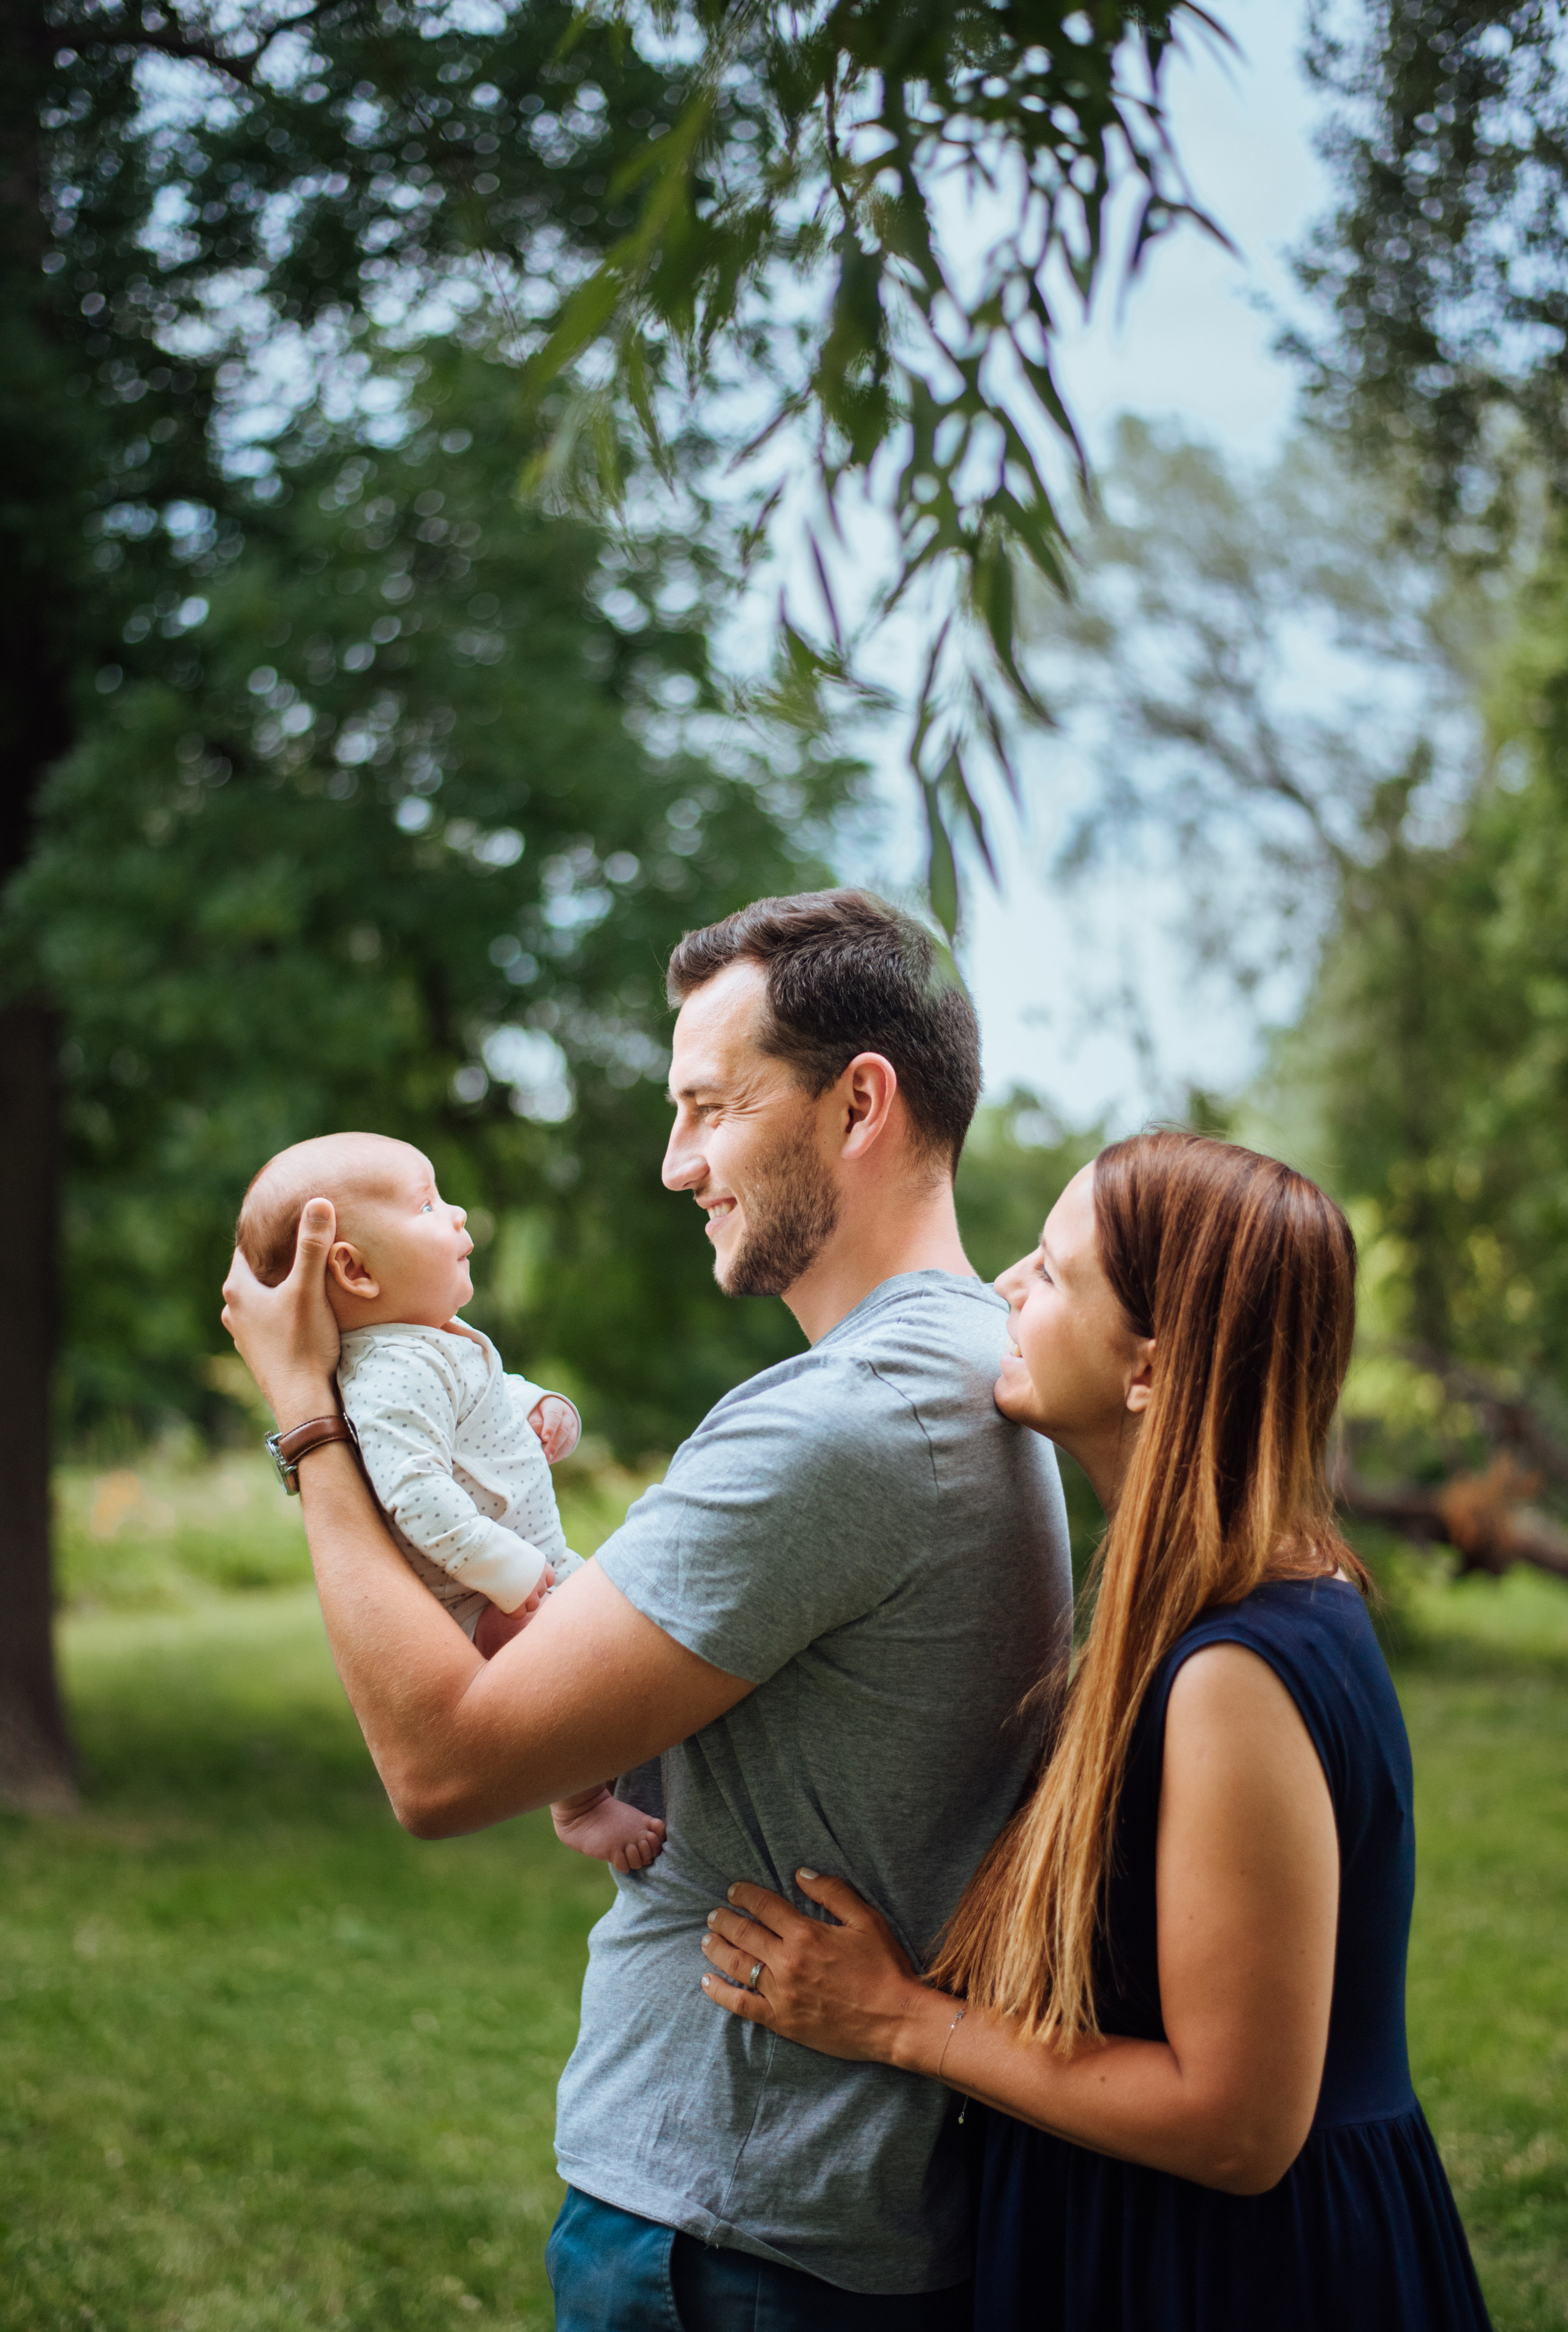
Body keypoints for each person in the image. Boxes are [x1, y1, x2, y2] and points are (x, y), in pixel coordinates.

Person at [221, 889, 1074, 2330]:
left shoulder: (840, 1423)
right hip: (816, 2210)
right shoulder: (973, 1362)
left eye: (708, 1109)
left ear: (858, 1103)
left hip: (731, 2235)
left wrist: (310, 1418)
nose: (676, 1164)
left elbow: (442, 1763)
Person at [696, 1131, 1493, 2332]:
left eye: (1051, 1271)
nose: (1004, 1286)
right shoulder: (1232, 1601)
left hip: (1227, 2274)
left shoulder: (1235, 1669)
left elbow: (1237, 2123)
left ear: (1147, 1368)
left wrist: (900, 2018)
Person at [235, 1129, 667, 1873]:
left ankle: (621, 1774)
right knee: (571, 1677)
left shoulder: (432, 1342)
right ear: (355, 1270)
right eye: (428, 1205)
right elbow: (415, 1493)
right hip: (484, 1597)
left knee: (617, 1646)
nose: (459, 1214)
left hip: (523, 1566)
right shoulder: (389, 1372)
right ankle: (579, 1804)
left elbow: (480, 1399)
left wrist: (534, 1408)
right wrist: (504, 1571)